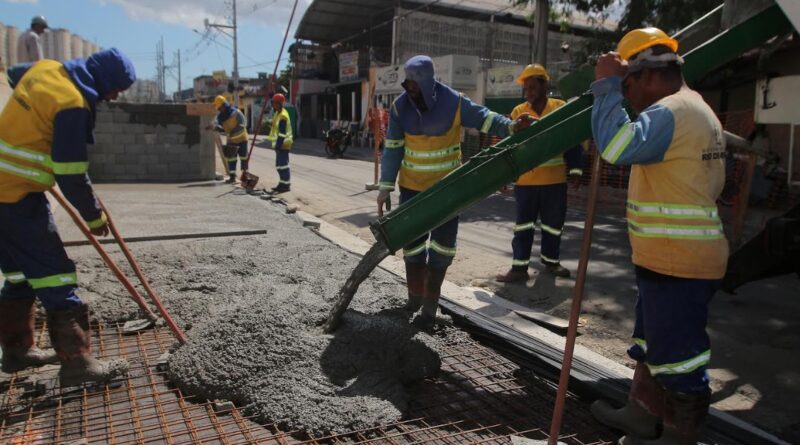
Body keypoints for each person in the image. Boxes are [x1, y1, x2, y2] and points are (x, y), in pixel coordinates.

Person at [588, 28, 728, 445]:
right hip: (667, 258)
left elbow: (614, 146)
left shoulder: (672, 112)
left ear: (645, 75)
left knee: (678, 359)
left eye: (627, 87)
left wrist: (604, 85)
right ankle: (641, 413)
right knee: (651, 344)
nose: (627, 98)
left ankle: (679, 437)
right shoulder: (692, 108)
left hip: (679, 263)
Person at [0, 48, 137, 386]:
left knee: (18, 274)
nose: (113, 96)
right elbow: (71, 173)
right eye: (115, 89)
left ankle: (16, 351)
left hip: (6, 189)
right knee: (55, 275)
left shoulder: (46, 68)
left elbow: (13, 74)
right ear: (103, 80)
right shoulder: (73, 104)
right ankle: (77, 364)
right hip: (15, 195)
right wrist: (94, 217)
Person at [377, 55, 533, 329]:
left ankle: (429, 309)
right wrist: (385, 187)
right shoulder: (400, 108)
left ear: (427, 82)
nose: (408, 90)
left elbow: (485, 118)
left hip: (448, 191)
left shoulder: (454, 102)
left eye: (413, 84)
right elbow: (392, 148)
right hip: (412, 190)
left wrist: (511, 126)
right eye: (407, 84)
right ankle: (413, 301)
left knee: (441, 250)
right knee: (412, 249)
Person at [495, 64, 583, 282]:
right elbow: (511, 148)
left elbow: (571, 139)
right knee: (523, 226)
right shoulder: (518, 112)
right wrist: (505, 175)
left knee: (553, 226)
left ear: (544, 85)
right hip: (526, 182)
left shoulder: (559, 107)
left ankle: (551, 263)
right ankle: (519, 269)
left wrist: (576, 169)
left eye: (533, 87)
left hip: (554, 181)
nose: (529, 92)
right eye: (526, 89)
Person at [208, 95, 249, 184]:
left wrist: (230, 132)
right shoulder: (220, 117)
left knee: (244, 158)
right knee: (231, 159)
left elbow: (243, 125)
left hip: (242, 139)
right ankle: (232, 177)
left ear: (224, 105)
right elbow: (219, 126)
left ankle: (245, 176)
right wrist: (215, 127)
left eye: (220, 108)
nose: (220, 110)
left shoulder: (236, 113)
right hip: (231, 141)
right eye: (218, 109)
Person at [267, 93, 293, 193]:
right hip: (280, 144)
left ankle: (286, 185)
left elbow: (282, 133)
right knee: (279, 166)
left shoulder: (282, 115)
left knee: (283, 165)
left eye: (274, 103)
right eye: (272, 103)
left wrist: (278, 145)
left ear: (279, 104)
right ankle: (282, 183)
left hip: (283, 144)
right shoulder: (277, 113)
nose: (273, 105)